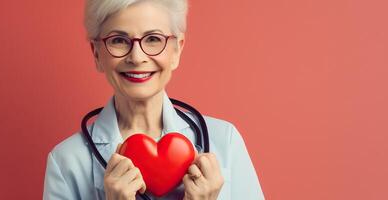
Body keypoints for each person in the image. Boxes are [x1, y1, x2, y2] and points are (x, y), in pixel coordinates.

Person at [42, 0, 264, 199]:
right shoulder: (66, 162)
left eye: (153, 39)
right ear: (97, 54)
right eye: (119, 40)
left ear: (177, 49)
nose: (137, 57)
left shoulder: (225, 141)